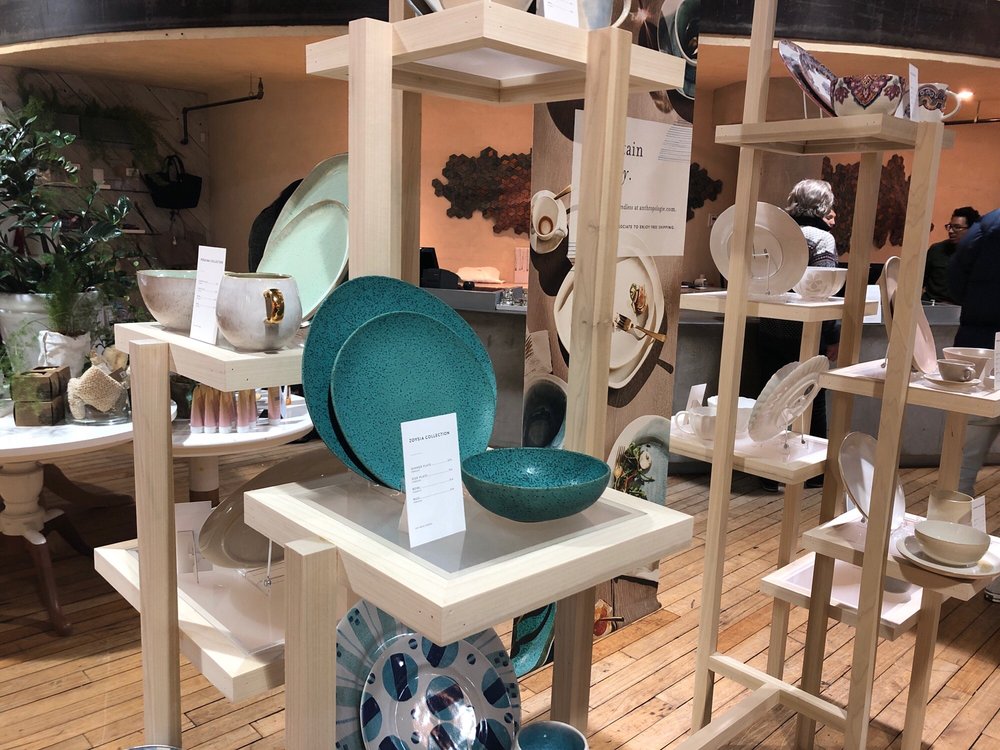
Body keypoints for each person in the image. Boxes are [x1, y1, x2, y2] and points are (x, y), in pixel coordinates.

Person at [757, 179, 840, 492]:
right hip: (807, 331)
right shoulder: (822, 239)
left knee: (768, 398)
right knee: (811, 399)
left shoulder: (777, 234)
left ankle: (764, 472)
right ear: (822, 206)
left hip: (770, 325)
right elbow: (825, 291)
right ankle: (813, 473)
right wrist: (832, 335)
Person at [947, 208, 1000, 497]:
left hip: (979, 343)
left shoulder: (986, 227)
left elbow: (955, 282)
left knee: (970, 436)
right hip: (983, 339)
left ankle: (952, 512)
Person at [923, 206, 981, 303]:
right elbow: (919, 281)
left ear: (972, 230)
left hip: (959, 307)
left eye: (957, 227)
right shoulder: (936, 250)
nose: (950, 231)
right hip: (931, 304)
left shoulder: (980, 254)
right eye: (949, 226)